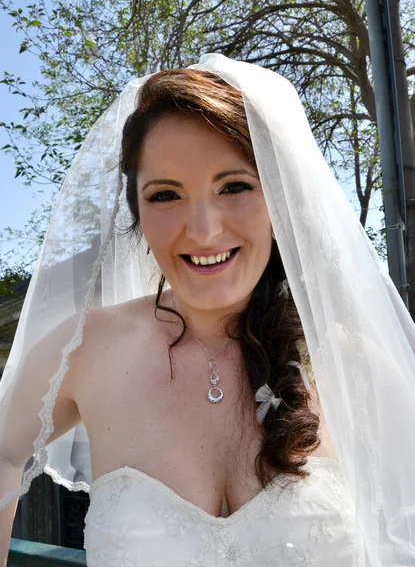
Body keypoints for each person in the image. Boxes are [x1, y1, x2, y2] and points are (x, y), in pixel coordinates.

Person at [0, 54, 414, 567]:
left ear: (278, 199)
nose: (202, 230)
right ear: (138, 212)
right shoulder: (83, 350)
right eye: (166, 194)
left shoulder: (347, 358)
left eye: (234, 186)